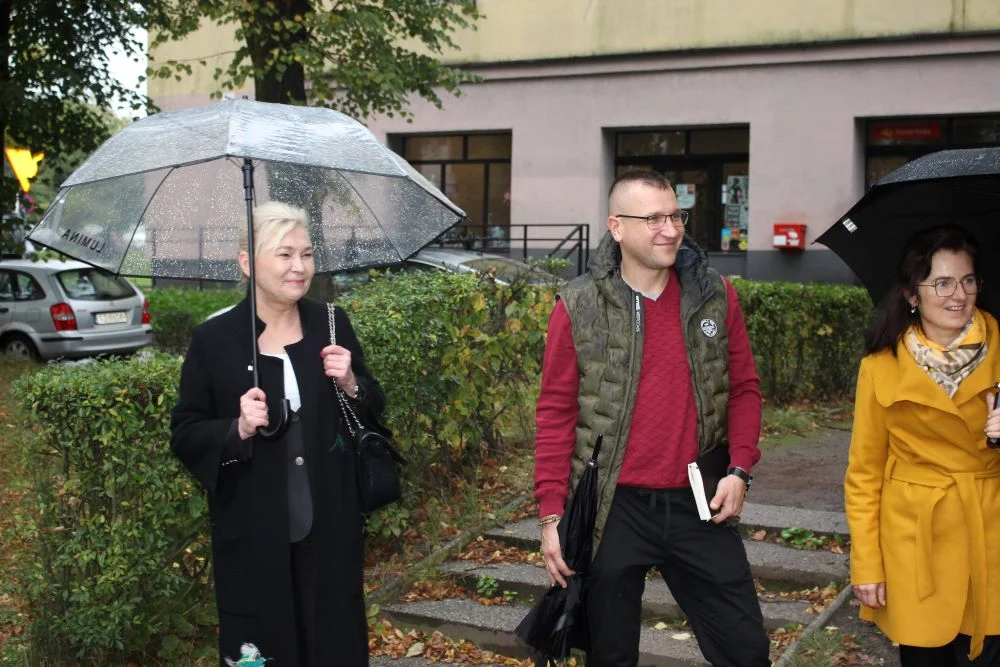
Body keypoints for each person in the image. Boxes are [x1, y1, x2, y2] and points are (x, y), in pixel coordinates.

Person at [534, 170, 769, 666]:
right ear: (617, 227)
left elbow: (744, 389)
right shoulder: (578, 305)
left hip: (700, 502)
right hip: (613, 507)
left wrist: (739, 469)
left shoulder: (715, 294)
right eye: (654, 219)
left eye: (676, 216)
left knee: (745, 650)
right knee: (611, 655)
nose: (671, 229)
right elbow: (556, 411)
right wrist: (552, 514)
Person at [171, 201, 384, 667]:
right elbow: (185, 432)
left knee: (333, 642)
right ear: (247, 263)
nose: (299, 267)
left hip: (330, 526)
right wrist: (236, 428)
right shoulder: (214, 340)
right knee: (264, 648)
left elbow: (374, 410)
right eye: (284, 254)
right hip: (253, 535)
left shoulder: (332, 324)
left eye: (306, 254)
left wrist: (352, 383)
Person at [845, 224, 1000, 665]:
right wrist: (867, 564)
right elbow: (864, 474)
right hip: (915, 544)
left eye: (968, 281)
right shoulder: (881, 367)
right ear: (912, 294)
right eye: (943, 283)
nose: (959, 295)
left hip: (991, 536)